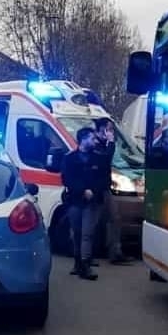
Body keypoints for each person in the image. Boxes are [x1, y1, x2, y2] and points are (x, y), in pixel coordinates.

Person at [61, 127, 104, 280]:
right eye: (92, 138)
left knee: (87, 234)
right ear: (83, 139)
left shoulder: (98, 159)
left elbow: (104, 180)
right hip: (74, 200)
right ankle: (78, 263)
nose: (95, 141)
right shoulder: (70, 159)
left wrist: (93, 190)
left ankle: (85, 266)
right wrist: (82, 190)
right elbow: (67, 179)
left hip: (92, 202)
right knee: (76, 233)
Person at [93, 118, 132, 265]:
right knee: (92, 222)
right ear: (101, 130)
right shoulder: (95, 144)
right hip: (94, 190)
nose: (111, 133)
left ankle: (115, 253)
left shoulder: (104, 144)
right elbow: (104, 159)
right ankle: (85, 256)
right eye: (108, 129)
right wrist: (111, 143)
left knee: (115, 218)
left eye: (111, 130)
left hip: (105, 188)